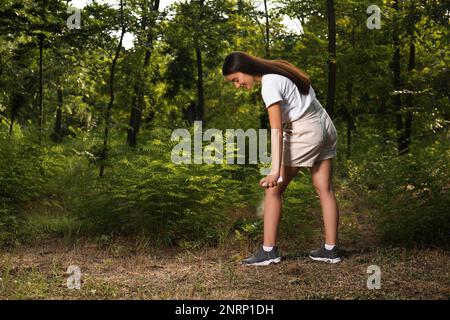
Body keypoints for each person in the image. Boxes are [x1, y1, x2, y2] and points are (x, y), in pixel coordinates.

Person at [222, 51, 341, 265]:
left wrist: (275, 171)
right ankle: (331, 250)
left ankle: (268, 251)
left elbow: (276, 129)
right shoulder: (278, 69)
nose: (237, 85)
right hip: (324, 124)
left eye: (236, 80)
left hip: (307, 130)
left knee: (273, 189)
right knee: (324, 187)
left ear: (245, 69)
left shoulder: (269, 84)